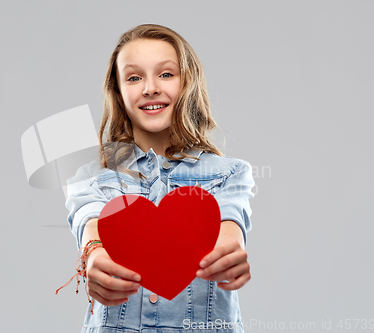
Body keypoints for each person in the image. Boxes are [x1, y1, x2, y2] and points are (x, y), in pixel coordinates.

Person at [63, 24, 255, 333]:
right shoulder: (89, 178)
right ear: (118, 90)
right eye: (134, 77)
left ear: (188, 82)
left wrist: (229, 252)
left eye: (166, 74)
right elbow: (91, 221)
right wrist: (95, 253)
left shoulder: (230, 174)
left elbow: (230, 223)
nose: (150, 88)